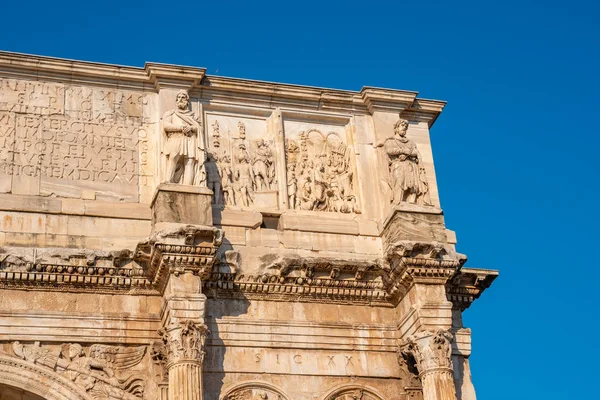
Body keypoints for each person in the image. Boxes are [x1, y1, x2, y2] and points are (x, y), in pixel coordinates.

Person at [162, 91, 206, 186]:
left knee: (190, 162)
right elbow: (166, 126)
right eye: (179, 97)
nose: (181, 99)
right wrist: (181, 128)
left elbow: (200, 128)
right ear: (176, 100)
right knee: (173, 158)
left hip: (190, 139)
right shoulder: (171, 114)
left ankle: (188, 186)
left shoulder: (193, 116)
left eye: (183, 97)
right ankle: (168, 181)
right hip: (176, 138)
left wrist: (191, 127)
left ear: (187, 101)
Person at [382, 119, 430, 205]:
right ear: (396, 128)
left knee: (414, 186)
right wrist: (405, 151)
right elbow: (389, 150)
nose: (404, 128)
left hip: (411, 165)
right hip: (398, 165)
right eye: (402, 126)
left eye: (405, 127)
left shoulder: (410, 142)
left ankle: (412, 204)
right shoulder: (391, 140)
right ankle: (397, 203)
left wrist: (405, 153)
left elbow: (416, 152)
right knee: (399, 182)